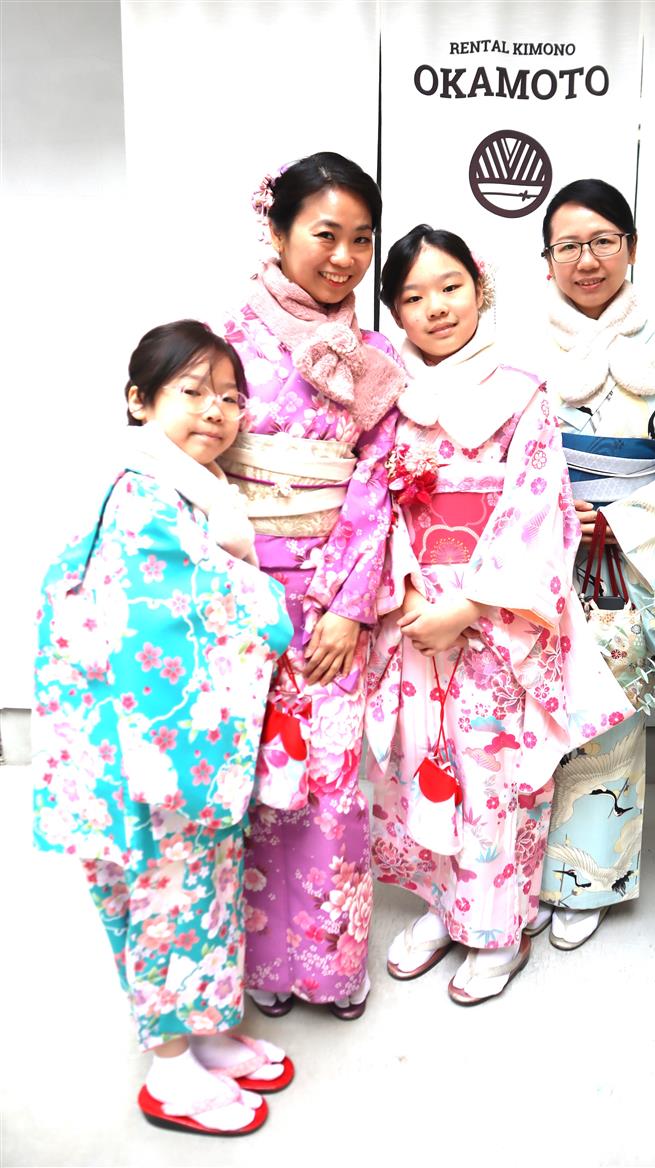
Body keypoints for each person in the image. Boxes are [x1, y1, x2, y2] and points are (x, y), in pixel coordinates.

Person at [33, 321, 296, 1137]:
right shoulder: (141, 493)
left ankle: (206, 1034)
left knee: (204, 890)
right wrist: (271, 607)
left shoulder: (188, 488)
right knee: (164, 896)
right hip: (145, 751)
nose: (216, 411)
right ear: (139, 400)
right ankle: (171, 1069)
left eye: (230, 398)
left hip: (173, 742)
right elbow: (183, 611)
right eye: (193, 392)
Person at [364, 225, 634, 1006]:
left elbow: (538, 509)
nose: (435, 307)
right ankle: (443, 907)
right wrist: (409, 593)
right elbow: (374, 506)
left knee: (492, 772)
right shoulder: (390, 402)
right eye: (413, 296)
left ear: (479, 289)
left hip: (493, 614)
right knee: (423, 760)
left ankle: (498, 930)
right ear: (395, 312)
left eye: (450, 286)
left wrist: (471, 604)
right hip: (415, 611)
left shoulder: (522, 391)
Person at [217, 153, 404, 1020]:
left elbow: (379, 482)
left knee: (331, 781)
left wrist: (347, 608)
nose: (345, 257)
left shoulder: (373, 357)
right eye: (326, 233)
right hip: (240, 592)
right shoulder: (226, 340)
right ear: (278, 230)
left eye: (362, 239)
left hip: (332, 600)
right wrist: (230, 584)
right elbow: (197, 458)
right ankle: (263, 956)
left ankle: (329, 964)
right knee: (253, 779)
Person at [533, 179, 655, 950]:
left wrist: (618, 521)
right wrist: (549, 510)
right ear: (547, 259)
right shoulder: (516, 351)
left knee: (606, 714)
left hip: (620, 562)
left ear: (631, 248)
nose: (587, 260)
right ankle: (518, 871)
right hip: (537, 559)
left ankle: (587, 879)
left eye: (603, 241)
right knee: (525, 712)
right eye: (569, 245)